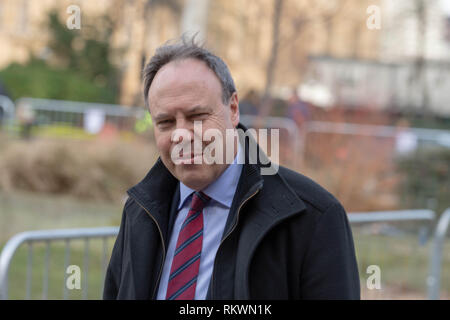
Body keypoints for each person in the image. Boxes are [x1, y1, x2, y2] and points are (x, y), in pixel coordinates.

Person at [103, 37, 360, 300]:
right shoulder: (139, 212)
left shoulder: (312, 217)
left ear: (233, 109)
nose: (182, 135)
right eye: (166, 122)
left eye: (197, 117)